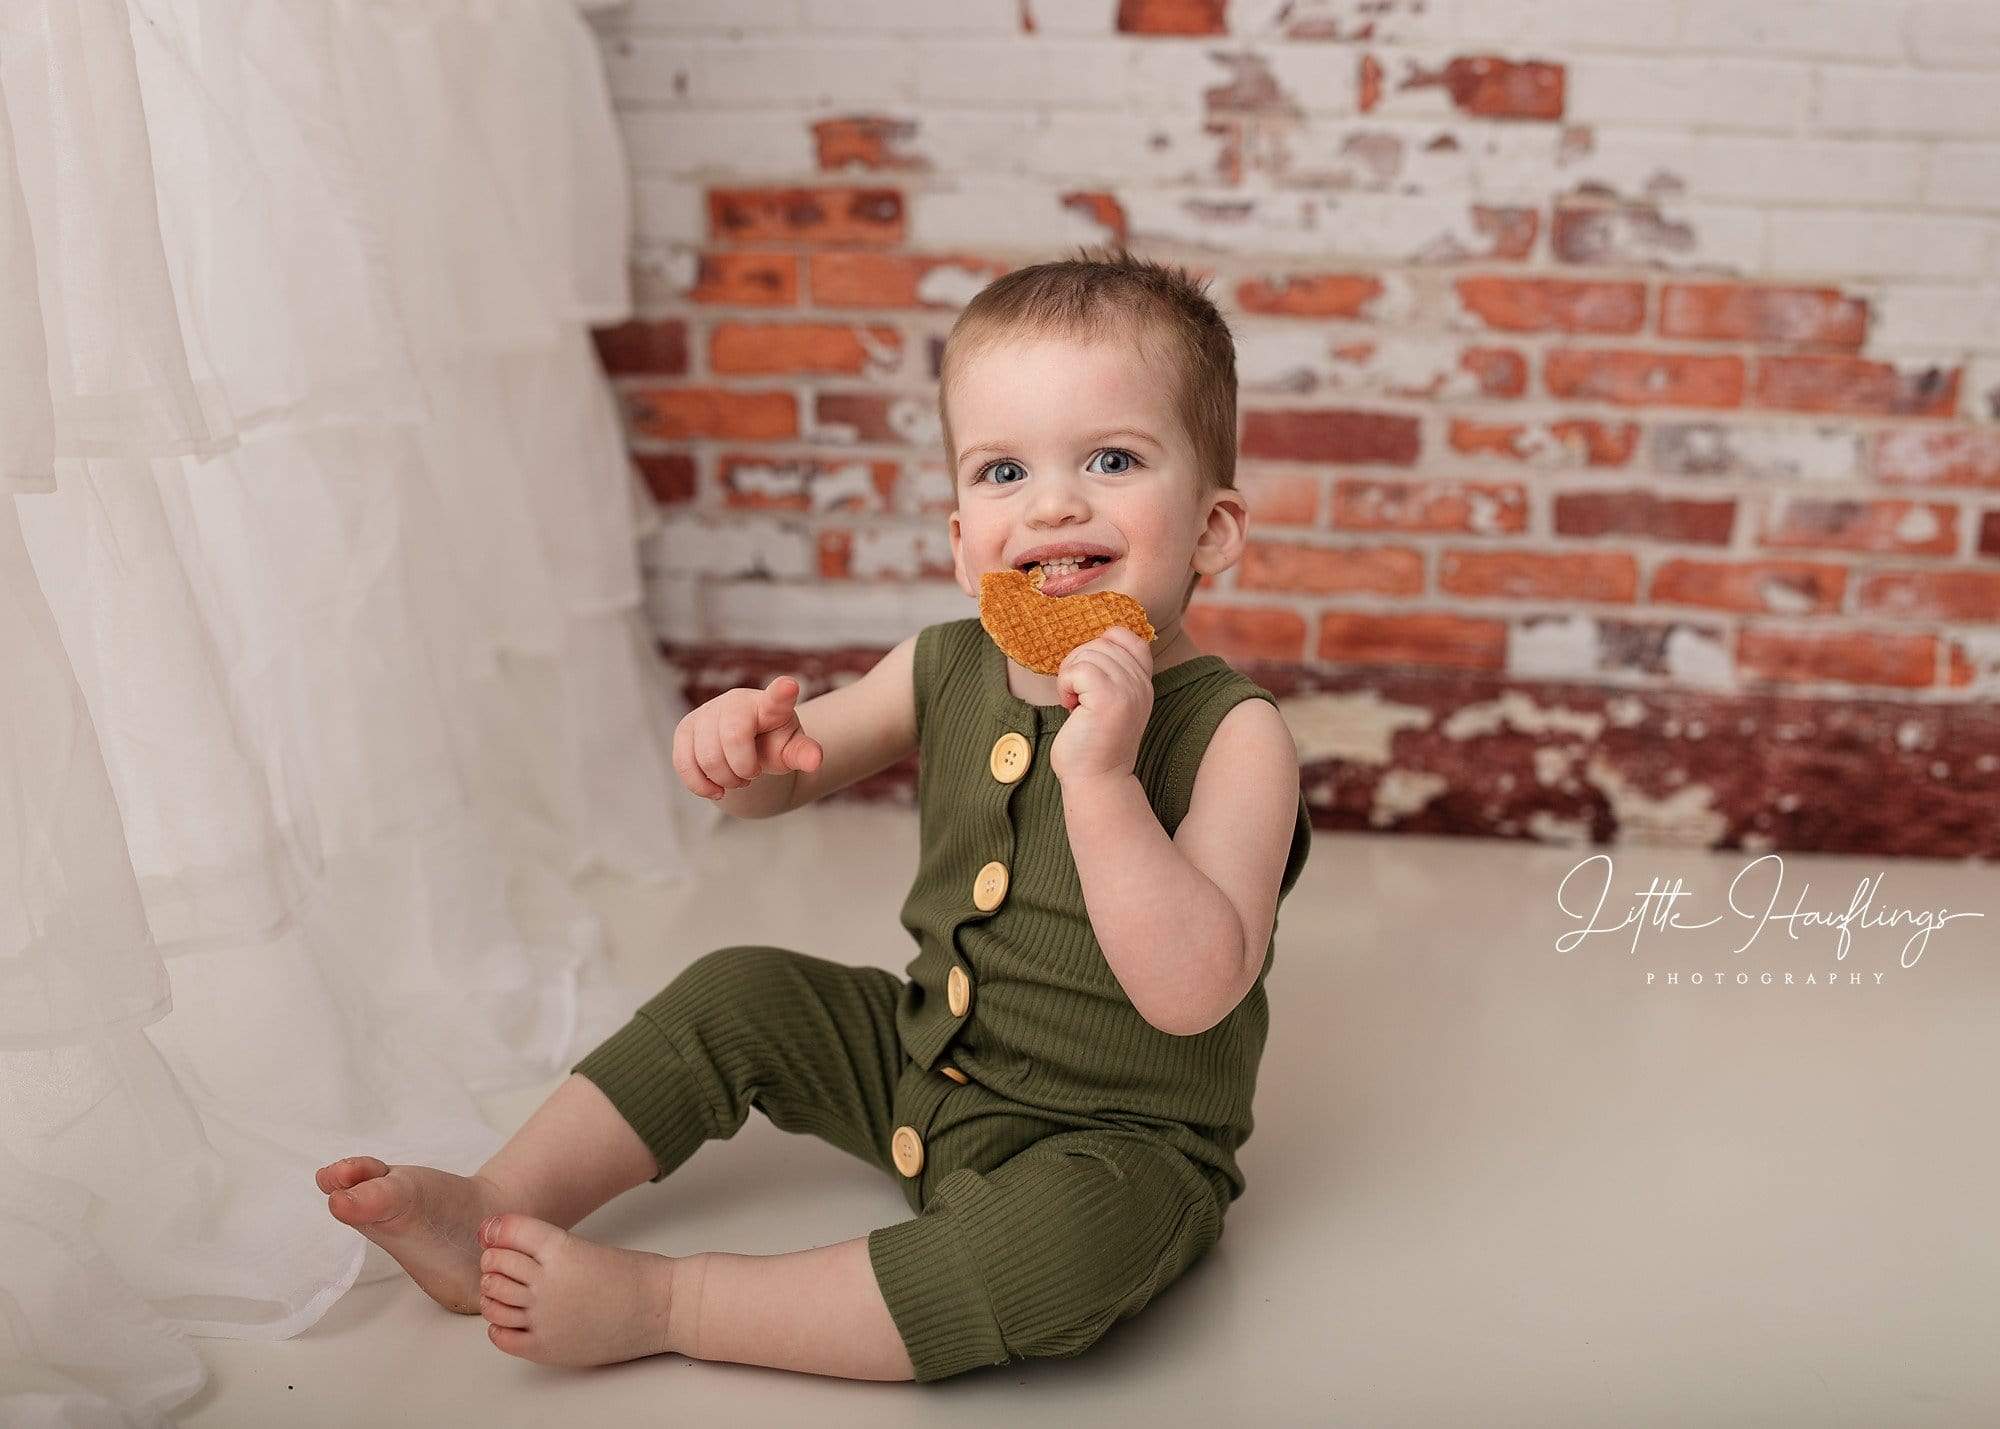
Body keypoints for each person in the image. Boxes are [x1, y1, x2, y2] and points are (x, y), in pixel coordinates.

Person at [315, 245, 1313, 1383]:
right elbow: (793, 773)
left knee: (1052, 1262)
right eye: (999, 473)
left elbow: (1188, 991)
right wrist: (746, 753)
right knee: (742, 988)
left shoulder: (1234, 735)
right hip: (921, 1055)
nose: (1051, 502)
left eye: (1111, 457)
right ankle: (497, 1201)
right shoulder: (944, 661)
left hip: (1108, 1145)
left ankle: (670, 1300)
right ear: (957, 542)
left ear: (1212, 529)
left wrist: (1101, 780)